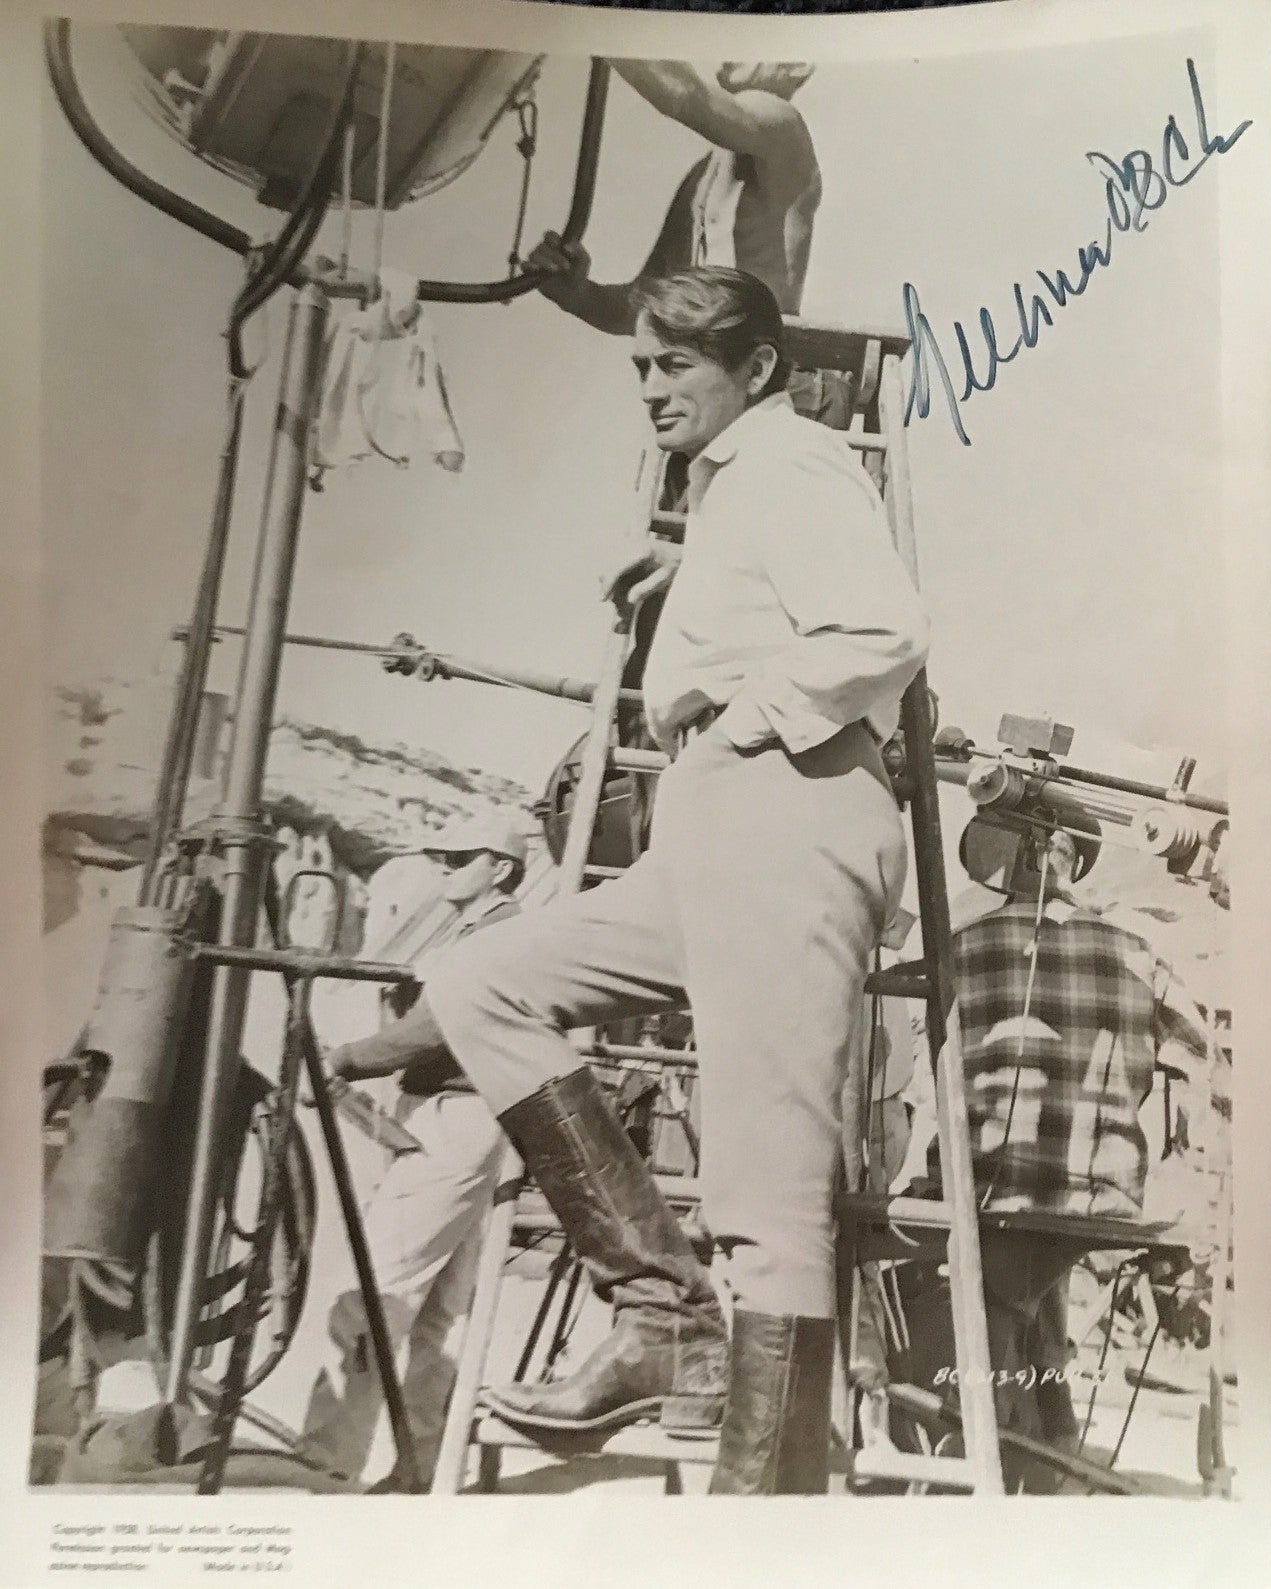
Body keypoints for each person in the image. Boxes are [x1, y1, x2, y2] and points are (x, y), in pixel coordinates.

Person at [421, 266, 930, 1494]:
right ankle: (663, 1319)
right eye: (642, 367)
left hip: (785, 811)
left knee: (767, 1187)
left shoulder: (796, 459)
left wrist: (748, 716)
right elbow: (775, 600)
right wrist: (689, 584)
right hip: (712, 826)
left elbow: (880, 630)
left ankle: (762, 1524)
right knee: (482, 980)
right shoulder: (733, 492)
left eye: (677, 365)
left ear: (755, 369)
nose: (651, 388)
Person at [901, 814, 1214, 1488]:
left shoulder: (960, 944)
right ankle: (1051, 1437)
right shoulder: (1137, 950)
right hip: (1102, 1199)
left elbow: (913, 1053)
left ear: (999, 861)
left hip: (990, 1189)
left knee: (959, 1292)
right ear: (1073, 863)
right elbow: (1197, 1061)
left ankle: (988, 1456)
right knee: (1038, 1277)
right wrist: (1172, 1160)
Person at [298, 812, 527, 1491]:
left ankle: (324, 1462)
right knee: (440, 1313)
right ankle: (423, 1464)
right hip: (460, 1113)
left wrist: (344, 1059)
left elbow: (438, 1024)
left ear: (501, 868)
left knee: (374, 1291)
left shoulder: (499, 934)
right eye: (441, 857)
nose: (445, 866)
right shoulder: (474, 931)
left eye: (460, 857)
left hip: (455, 1113)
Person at [529, 61, 819, 334]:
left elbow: (685, 94)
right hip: (710, 363)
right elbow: (647, 304)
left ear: (799, 65)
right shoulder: (704, 175)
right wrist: (579, 295)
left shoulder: (783, 123)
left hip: (761, 368)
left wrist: (607, 28)